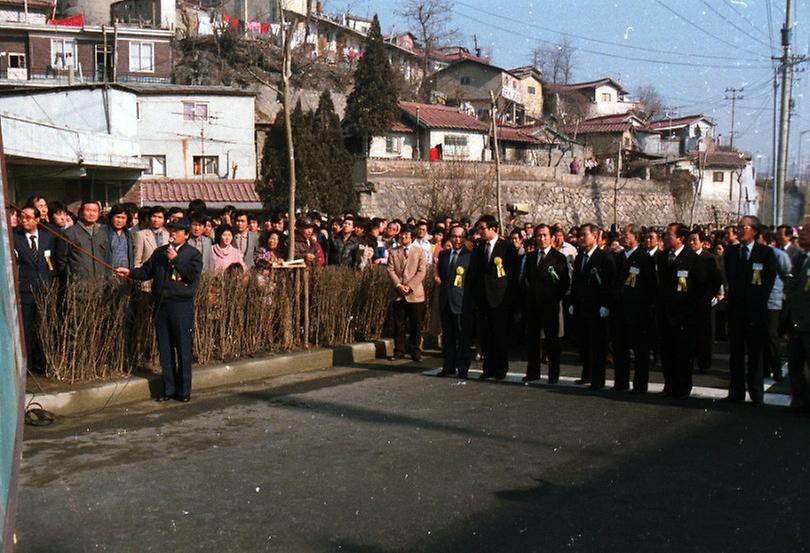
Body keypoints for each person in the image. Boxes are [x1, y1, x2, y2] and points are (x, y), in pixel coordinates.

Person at [114, 218, 202, 402]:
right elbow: (147, 271)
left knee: (183, 348)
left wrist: (176, 260)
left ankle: (184, 391)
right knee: (165, 349)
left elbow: (192, 276)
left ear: (186, 235)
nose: (173, 234)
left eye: (178, 231)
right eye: (171, 230)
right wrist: (130, 272)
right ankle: (168, 389)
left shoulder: (193, 254)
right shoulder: (160, 252)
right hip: (161, 305)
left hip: (181, 306)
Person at [723, 216, 776, 406]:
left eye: (743, 227)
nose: (739, 230)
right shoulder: (730, 252)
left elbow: (768, 281)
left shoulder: (765, 253)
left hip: (756, 311)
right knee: (736, 354)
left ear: (754, 231)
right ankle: (735, 391)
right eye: (738, 227)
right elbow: (729, 277)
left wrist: (757, 303)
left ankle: (756, 393)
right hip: (736, 310)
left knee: (755, 355)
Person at [656, 223, 708, 399]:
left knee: (683, 355)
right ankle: (669, 385)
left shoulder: (693, 259)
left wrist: (694, 312)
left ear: (680, 238)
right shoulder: (662, 258)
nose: (665, 237)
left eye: (669, 234)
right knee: (667, 353)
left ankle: (683, 388)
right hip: (666, 314)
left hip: (685, 316)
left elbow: (703, 288)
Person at [469, 215, 518, 380]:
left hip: (500, 298)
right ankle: (487, 368)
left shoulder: (507, 247)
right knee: (485, 335)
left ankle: (500, 369)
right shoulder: (479, 247)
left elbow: (513, 274)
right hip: (483, 298)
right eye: (479, 229)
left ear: (493, 229)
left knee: (499, 335)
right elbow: (474, 272)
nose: (480, 232)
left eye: (483, 228)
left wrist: (510, 299)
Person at [612, 224, 657, 393]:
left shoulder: (643, 258)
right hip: (619, 311)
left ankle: (640, 385)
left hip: (638, 312)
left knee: (640, 351)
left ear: (635, 237)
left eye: (626, 234)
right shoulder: (618, 257)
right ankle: (621, 382)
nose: (623, 236)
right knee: (620, 348)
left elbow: (651, 285)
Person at [570, 223, 615, 390]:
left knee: (597, 345)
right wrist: (574, 302)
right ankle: (586, 374)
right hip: (582, 306)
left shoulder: (604, 257)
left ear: (595, 237)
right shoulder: (581, 256)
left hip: (597, 308)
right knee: (583, 344)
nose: (581, 238)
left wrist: (605, 304)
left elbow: (608, 283)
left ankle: (598, 379)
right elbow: (576, 281)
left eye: (584, 235)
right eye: (580, 235)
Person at [524, 224, 570, 383]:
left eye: (544, 235)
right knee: (532, 340)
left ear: (551, 237)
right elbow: (527, 279)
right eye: (538, 235)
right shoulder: (530, 257)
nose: (541, 238)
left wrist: (553, 298)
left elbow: (564, 282)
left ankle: (553, 374)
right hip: (532, 305)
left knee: (552, 341)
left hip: (550, 305)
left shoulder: (558, 257)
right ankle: (533, 371)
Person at [14, 205, 56, 372]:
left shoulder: (48, 237)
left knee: (45, 326)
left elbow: (52, 262)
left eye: (28, 217)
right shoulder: (15, 238)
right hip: (25, 289)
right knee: (27, 327)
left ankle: (45, 363)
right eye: (22, 217)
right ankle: (29, 364)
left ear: (37, 220)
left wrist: (50, 279)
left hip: (45, 289)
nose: (24, 220)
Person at [435, 226, 474, 378]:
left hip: (462, 302)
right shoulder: (444, 255)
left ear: (464, 238)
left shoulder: (470, 256)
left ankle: (463, 367)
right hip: (446, 301)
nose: (457, 240)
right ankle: (448, 366)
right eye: (454, 236)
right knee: (448, 337)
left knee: (462, 337)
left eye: (460, 237)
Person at [386, 226, 427, 362]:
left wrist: (409, 287)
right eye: (402, 235)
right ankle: (399, 350)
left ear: (412, 237)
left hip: (415, 294)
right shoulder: (393, 252)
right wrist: (398, 285)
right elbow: (390, 269)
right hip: (398, 293)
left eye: (407, 235)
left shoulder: (420, 251)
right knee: (399, 324)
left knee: (416, 325)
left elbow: (421, 271)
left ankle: (415, 351)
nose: (403, 237)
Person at [784, 221, 810, 412]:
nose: (801, 234)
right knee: (794, 365)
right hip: (796, 321)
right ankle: (799, 401)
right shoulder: (799, 258)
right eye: (801, 231)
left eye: (807, 232)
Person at [688, 231, 722, 373]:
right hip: (689, 300)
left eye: (694, 240)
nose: (691, 243)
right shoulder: (686, 257)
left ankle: (704, 361)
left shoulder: (709, 258)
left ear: (702, 242)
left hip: (704, 300)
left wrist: (710, 295)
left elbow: (716, 279)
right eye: (689, 240)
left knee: (705, 332)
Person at [760, 230, 792, 381]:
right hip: (757, 301)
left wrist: (784, 295)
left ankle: (776, 369)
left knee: (772, 337)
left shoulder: (779, 255)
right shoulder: (755, 254)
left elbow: (788, 275)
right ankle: (764, 368)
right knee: (759, 337)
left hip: (773, 301)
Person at [55, 200, 109, 281]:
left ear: (99, 214)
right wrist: (70, 276)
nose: (91, 214)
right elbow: (61, 260)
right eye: (88, 210)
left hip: (99, 282)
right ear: (80, 212)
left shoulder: (102, 233)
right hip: (78, 284)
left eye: (94, 211)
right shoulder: (69, 233)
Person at [104, 204, 134, 271]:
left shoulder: (128, 234)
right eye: (118, 217)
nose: (120, 221)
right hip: (109, 273)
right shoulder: (103, 232)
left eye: (123, 218)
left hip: (125, 274)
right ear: (111, 217)